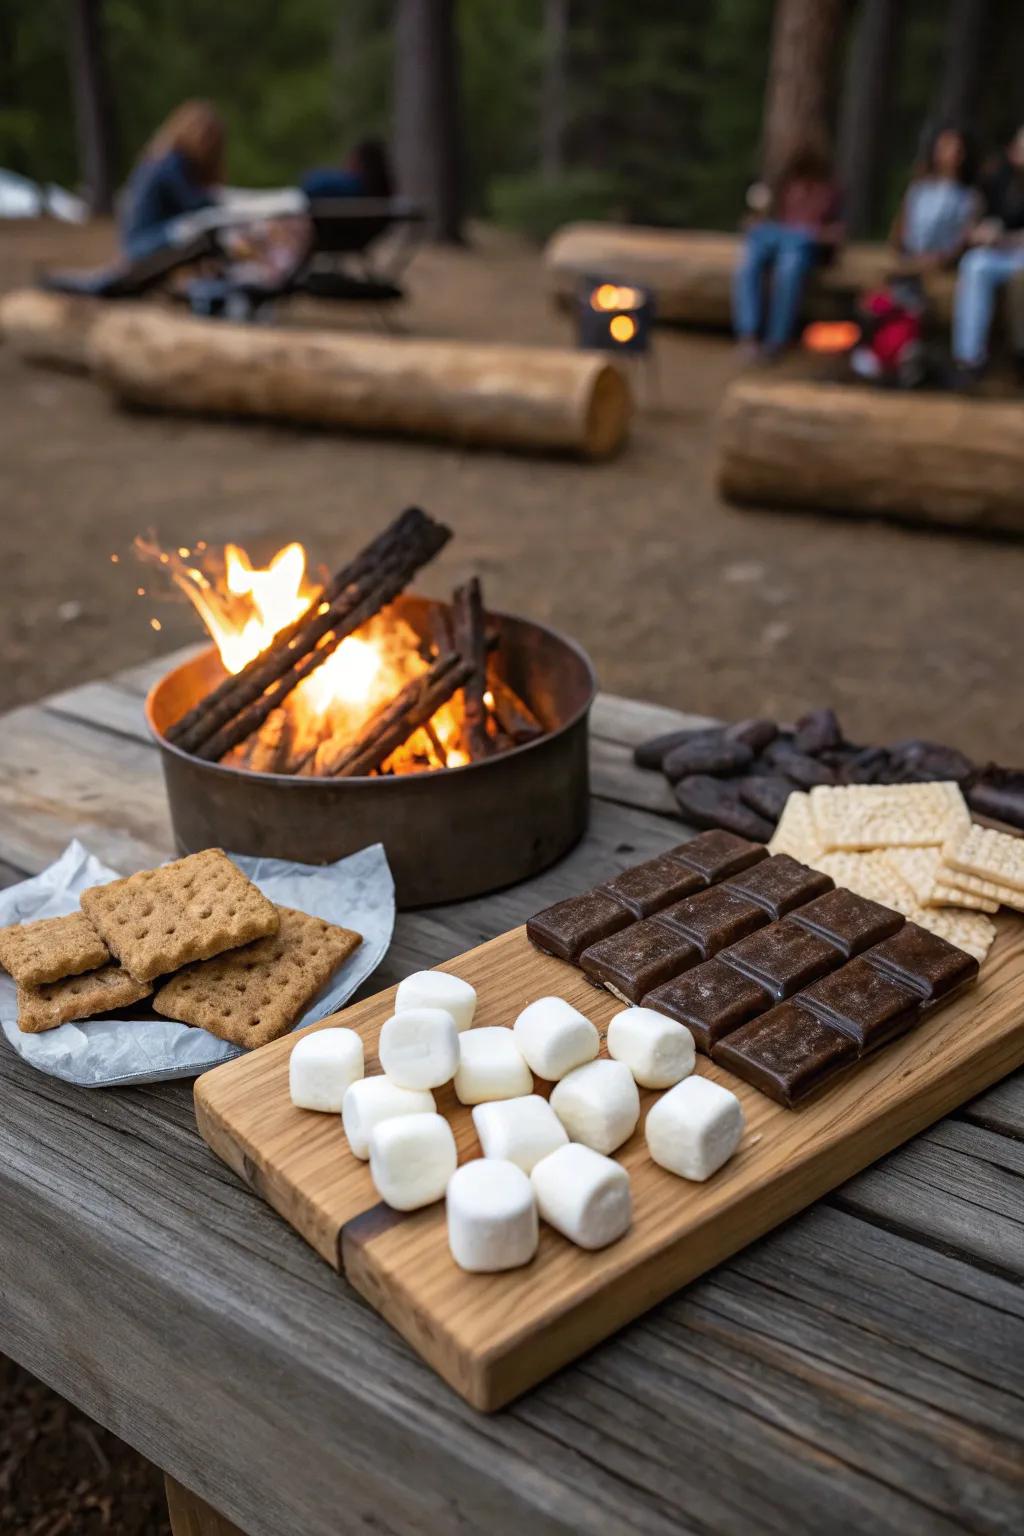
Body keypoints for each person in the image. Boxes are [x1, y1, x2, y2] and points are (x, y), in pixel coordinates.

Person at [732, 144, 844, 357]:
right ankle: (748, 334)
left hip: (803, 248)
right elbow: (766, 221)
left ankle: (776, 340)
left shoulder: (830, 192)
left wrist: (816, 234)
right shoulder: (786, 187)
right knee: (748, 264)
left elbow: (836, 234)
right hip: (778, 241)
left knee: (789, 269)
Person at [952, 124, 1024, 374]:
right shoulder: (995, 178)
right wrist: (978, 233)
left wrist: (1005, 237)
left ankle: (1019, 355)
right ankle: (969, 359)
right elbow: (970, 223)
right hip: (1001, 255)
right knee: (973, 264)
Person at [120, 100, 225, 260]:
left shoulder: (162, 157)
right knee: (192, 227)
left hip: (142, 241)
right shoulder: (171, 162)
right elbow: (192, 204)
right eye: (206, 138)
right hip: (144, 243)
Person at [890, 126, 979, 271]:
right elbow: (900, 230)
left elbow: (964, 238)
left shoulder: (968, 197)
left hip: (945, 268)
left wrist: (941, 259)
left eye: (955, 147)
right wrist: (909, 256)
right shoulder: (918, 189)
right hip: (909, 262)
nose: (951, 152)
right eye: (944, 146)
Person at [300, 139, 394, 201]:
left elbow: (313, 184)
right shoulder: (383, 193)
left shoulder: (353, 187)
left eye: (353, 159)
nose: (347, 162)